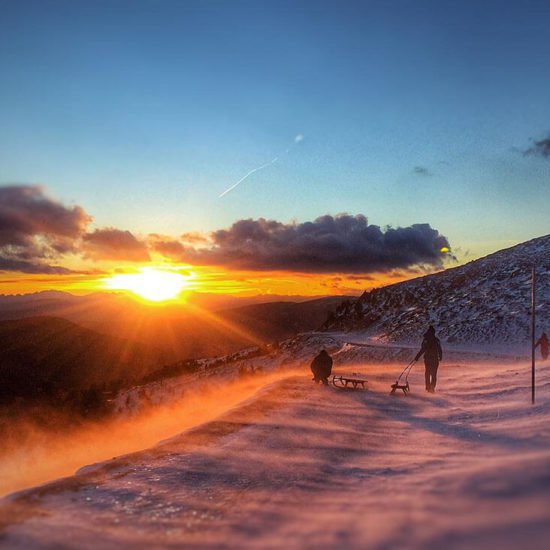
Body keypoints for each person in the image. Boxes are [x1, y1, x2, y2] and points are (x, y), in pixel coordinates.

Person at [414, 325, 443, 393]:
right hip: (434, 359)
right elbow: (440, 349)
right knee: (433, 374)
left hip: (428, 359)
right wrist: (440, 356)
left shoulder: (426, 340)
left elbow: (423, 349)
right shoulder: (436, 340)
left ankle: (428, 388)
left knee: (427, 373)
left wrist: (417, 357)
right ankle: (431, 388)